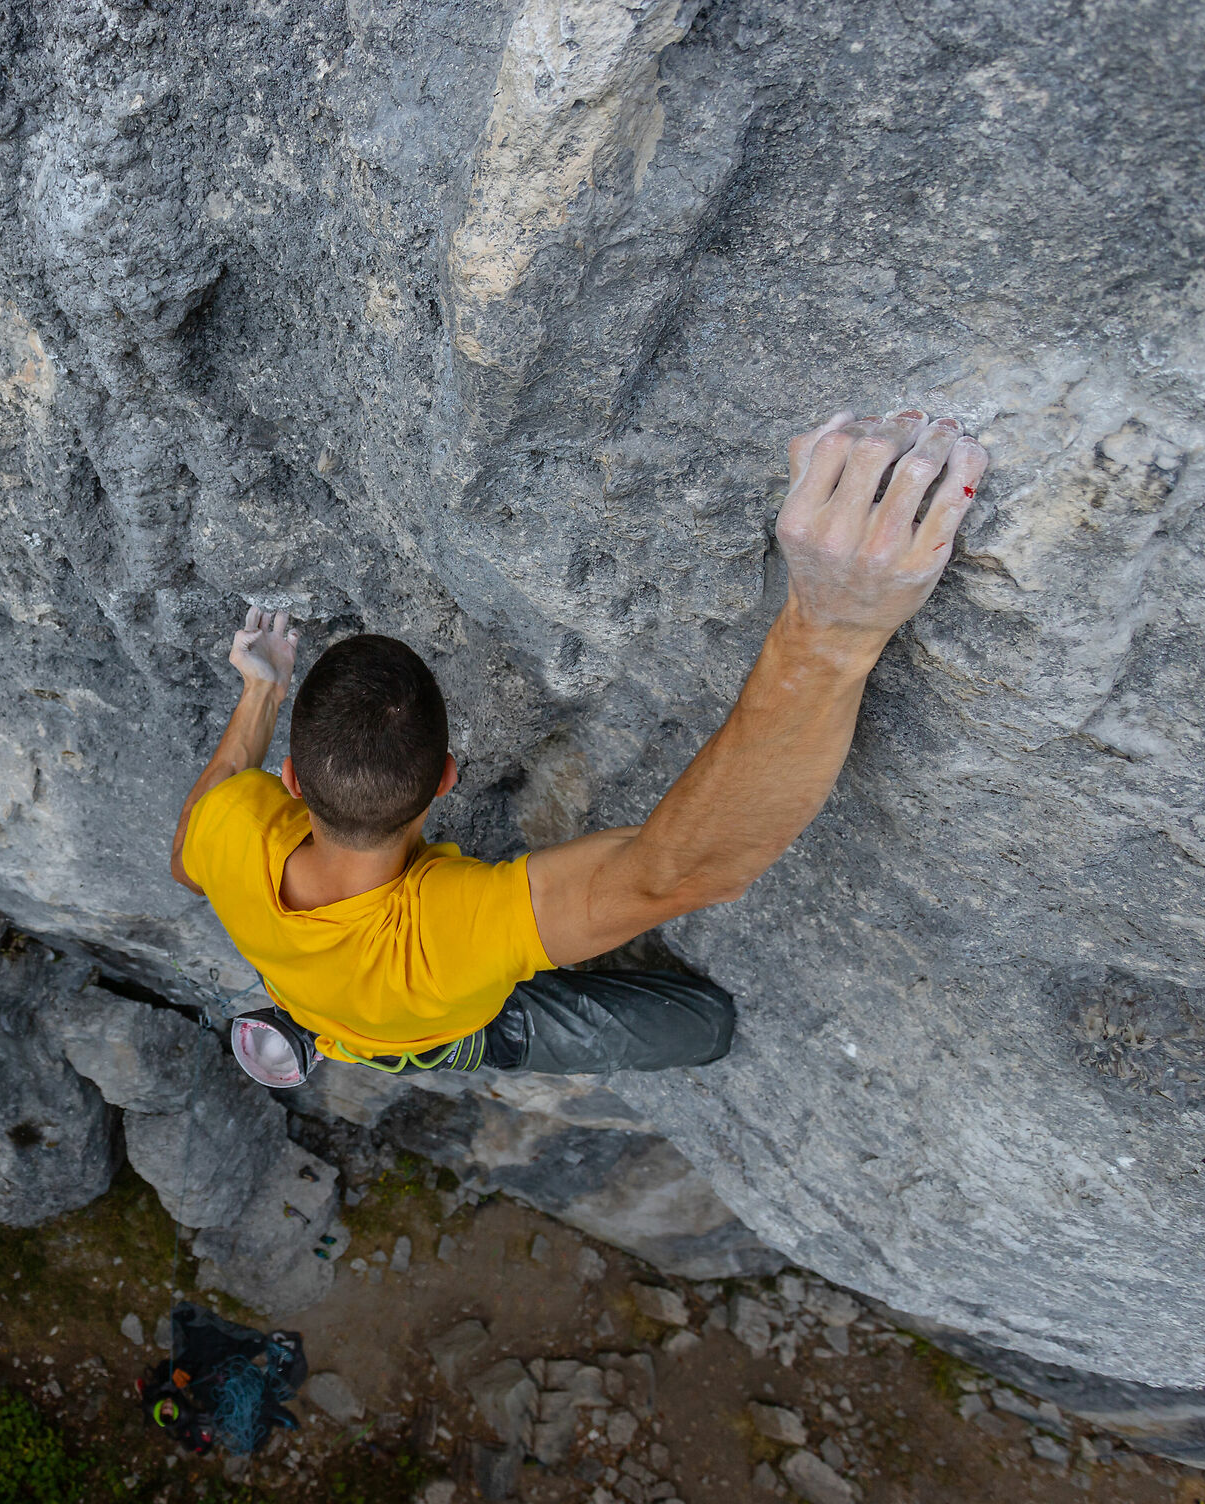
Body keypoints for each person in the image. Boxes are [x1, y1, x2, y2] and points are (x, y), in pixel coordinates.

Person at [169, 410, 990, 1083]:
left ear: (291, 781)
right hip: (454, 1020)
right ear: (445, 780)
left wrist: (259, 693)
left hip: (346, 1015)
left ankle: (321, 1032)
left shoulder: (232, 833)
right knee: (707, 1024)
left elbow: (190, 848)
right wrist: (832, 627)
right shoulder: (456, 930)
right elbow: (680, 871)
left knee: (690, 1029)